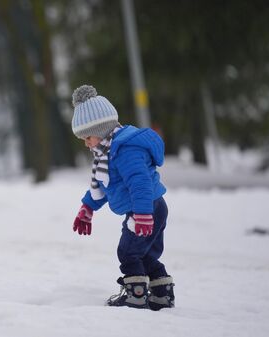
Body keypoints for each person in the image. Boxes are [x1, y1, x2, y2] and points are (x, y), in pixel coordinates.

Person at [70, 84, 174, 310]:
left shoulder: (125, 150)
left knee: (127, 252)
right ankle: (161, 292)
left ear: (101, 129)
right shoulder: (107, 152)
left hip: (147, 208)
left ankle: (135, 295)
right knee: (143, 254)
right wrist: (88, 207)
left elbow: (140, 183)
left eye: (88, 137)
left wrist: (143, 214)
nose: (87, 144)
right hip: (149, 208)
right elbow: (107, 184)